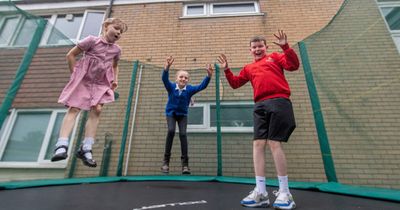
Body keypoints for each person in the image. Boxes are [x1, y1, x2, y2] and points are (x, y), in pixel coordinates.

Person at [217, 30, 299, 209]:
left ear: (266, 47)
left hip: (278, 101)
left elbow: (294, 65)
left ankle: (285, 192)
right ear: (250, 50)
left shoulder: (276, 58)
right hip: (260, 105)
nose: (257, 49)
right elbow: (235, 84)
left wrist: (285, 46)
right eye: (254, 47)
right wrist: (227, 70)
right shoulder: (248, 68)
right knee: (258, 144)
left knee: (274, 143)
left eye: (260, 46)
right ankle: (261, 192)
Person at [50, 18, 128, 167]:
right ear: (106, 27)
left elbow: (115, 65)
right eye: (116, 28)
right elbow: (70, 55)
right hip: (84, 80)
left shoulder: (116, 50)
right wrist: (74, 74)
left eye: (121, 31)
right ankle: (61, 145)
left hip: (100, 83)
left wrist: (115, 79)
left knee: (97, 110)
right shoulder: (91, 41)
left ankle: (86, 148)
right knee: (74, 109)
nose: (118, 32)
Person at [161, 56, 213, 174]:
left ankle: (185, 165)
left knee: (183, 134)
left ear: (188, 80)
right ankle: (165, 162)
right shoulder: (171, 87)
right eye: (181, 77)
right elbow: (164, 79)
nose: (183, 79)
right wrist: (167, 68)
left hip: (182, 115)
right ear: (176, 79)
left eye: (186, 78)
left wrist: (208, 76)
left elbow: (201, 86)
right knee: (171, 131)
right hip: (171, 114)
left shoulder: (189, 89)